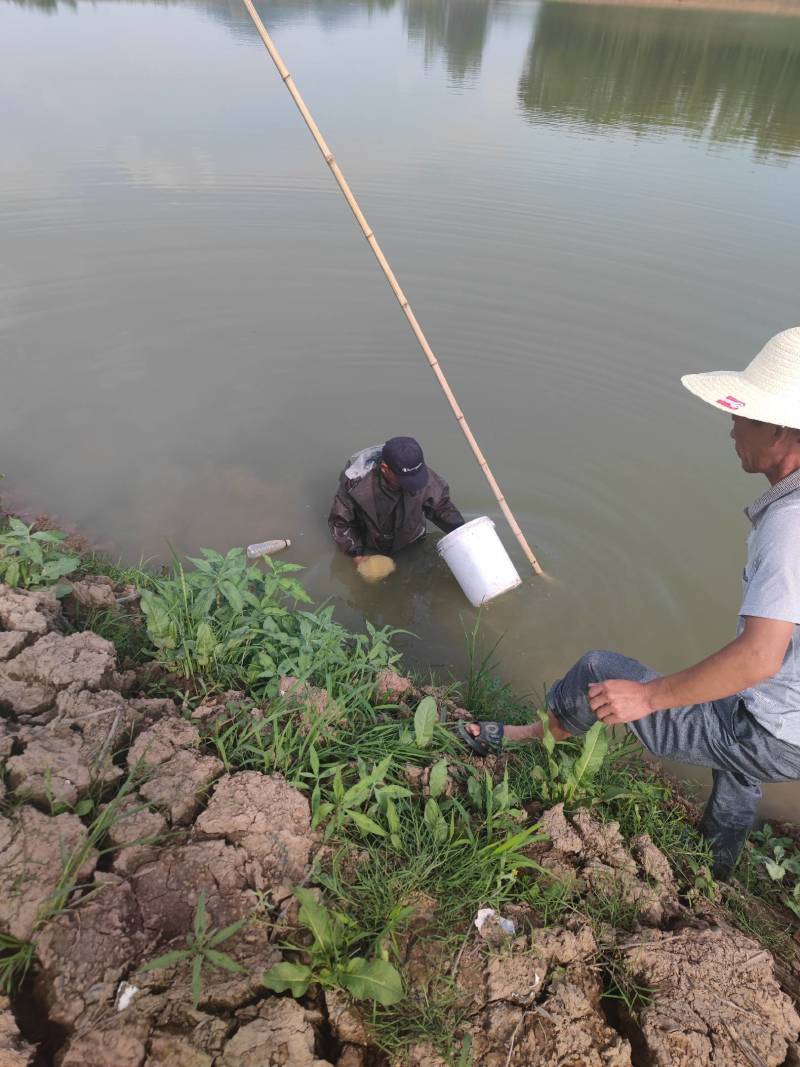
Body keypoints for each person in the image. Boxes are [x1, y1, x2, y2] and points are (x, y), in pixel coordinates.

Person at [459, 326, 800, 880]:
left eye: (742, 414)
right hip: (789, 716)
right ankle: (717, 866)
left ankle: (526, 741)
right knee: (735, 747)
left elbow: (760, 659)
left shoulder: (789, 525)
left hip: (778, 731)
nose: (731, 428)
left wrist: (648, 696)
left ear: (781, 430)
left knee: (600, 670)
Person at [328, 436, 465, 565]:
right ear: (385, 468)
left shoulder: (418, 472)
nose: (414, 483)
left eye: (416, 476)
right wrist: (357, 556)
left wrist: (463, 534)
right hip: (372, 547)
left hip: (411, 540)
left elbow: (441, 507)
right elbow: (340, 522)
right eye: (405, 479)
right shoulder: (355, 484)